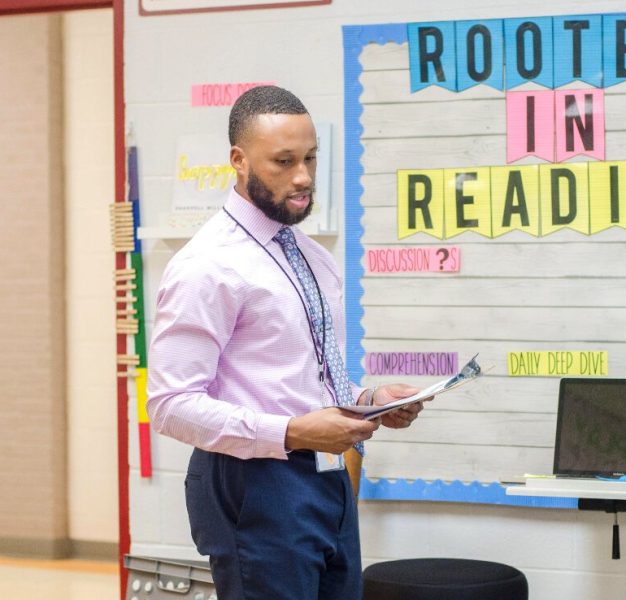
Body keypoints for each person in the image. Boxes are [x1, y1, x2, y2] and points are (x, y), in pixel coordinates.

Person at [146, 85, 426, 600]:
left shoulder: (311, 256)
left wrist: (368, 402)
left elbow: (315, 376)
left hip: (326, 478)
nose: (303, 177)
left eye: (310, 158)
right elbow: (169, 406)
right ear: (239, 160)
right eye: (283, 161)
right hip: (252, 484)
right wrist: (293, 432)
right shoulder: (207, 265)